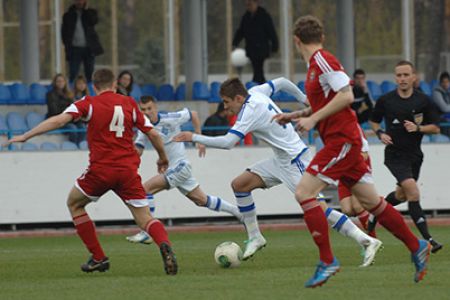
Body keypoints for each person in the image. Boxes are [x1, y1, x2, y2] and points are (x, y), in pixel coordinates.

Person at [273, 15, 430, 287]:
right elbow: (330, 100)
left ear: (296, 40)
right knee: (372, 203)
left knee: (304, 192)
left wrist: (311, 120)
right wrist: (298, 114)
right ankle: (416, 245)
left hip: (341, 140)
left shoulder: (323, 61)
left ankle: (327, 260)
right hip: (344, 141)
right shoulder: (315, 67)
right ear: (320, 36)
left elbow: (346, 96)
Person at [174, 77, 381, 268]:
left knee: (320, 210)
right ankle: (255, 236)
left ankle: (367, 241)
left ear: (238, 98)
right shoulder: (256, 91)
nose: (225, 107)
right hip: (281, 159)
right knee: (240, 185)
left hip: (295, 160)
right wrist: (303, 99)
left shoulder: (249, 110)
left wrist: (194, 137)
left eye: (227, 102)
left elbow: (228, 142)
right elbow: (281, 82)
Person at [5, 69, 177, 275]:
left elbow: (59, 120)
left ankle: (98, 257)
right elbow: (153, 134)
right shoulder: (130, 103)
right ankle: (164, 245)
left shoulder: (88, 103)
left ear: (94, 86)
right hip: (127, 171)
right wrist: (163, 157)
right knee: (145, 218)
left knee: (75, 204)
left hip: (101, 171)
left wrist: (26, 135)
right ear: (114, 85)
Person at [126, 96, 243, 244]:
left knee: (145, 190)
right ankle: (237, 212)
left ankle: (147, 231)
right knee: (202, 200)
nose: (147, 112)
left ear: (155, 107)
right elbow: (138, 150)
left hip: (180, 166)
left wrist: (198, 138)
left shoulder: (170, 118)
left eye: (149, 108)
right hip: (175, 169)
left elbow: (193, 114)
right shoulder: (145, 129)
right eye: (143, 110)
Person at [369, 60, 442, 253]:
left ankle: (375, 212)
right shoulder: (386, 100)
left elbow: (435, 128)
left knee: (402, 195)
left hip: (415, 155)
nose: (402, 79)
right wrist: (380, 134)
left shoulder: (423, 101)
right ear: (395, 78)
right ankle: (429, 240)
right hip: (394, 155)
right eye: (399, 75)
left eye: (405, 75)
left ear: (413, 77)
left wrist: (417, 128)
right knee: (413, 191)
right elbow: (373, 121)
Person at [232, 0, 278, 84]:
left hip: (261, 47)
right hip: (251, 47)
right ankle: (259, 82)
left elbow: (271, 32)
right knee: (256, 67)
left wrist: (275, 46)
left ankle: (258, 83)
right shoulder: (246, 17)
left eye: (250, 4)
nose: (249, 7)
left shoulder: (264, 16)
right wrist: (235, 42)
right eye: (247, 5)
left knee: (258, 67)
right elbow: (241, 31)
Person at [61, 0, 104, 82]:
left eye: (81, 1)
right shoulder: (68, 15)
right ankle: (72, 89)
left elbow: (94, 21)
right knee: (73, 72)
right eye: (77, 1)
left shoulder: (90, 13)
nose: (79, 3)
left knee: (90, 72)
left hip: (89, 48)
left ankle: (90, 90)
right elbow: (64, 32)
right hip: (74, 48)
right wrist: (67, 44)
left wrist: (86, 10)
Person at [46, 73, 81, 144]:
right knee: (73, 128)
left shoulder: (69, 94)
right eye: (58, 81)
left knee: (82, 126)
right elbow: (54, 111)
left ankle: (80, 146)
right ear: (55, 83)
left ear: (65, 82)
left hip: (69, 119)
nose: (60, 83)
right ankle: (73, 147)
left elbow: (73, 107)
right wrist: (67, 110)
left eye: (62, 81)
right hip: (58, 120)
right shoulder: (50, 94)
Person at [431, 71, 450, 136]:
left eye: (447, 82)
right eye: (444, 82)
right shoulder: (436, 92)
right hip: (438, 119)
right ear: (440, 83)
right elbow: (444, 108)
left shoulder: (447, 92)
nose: (446, 84)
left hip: (446, 117)